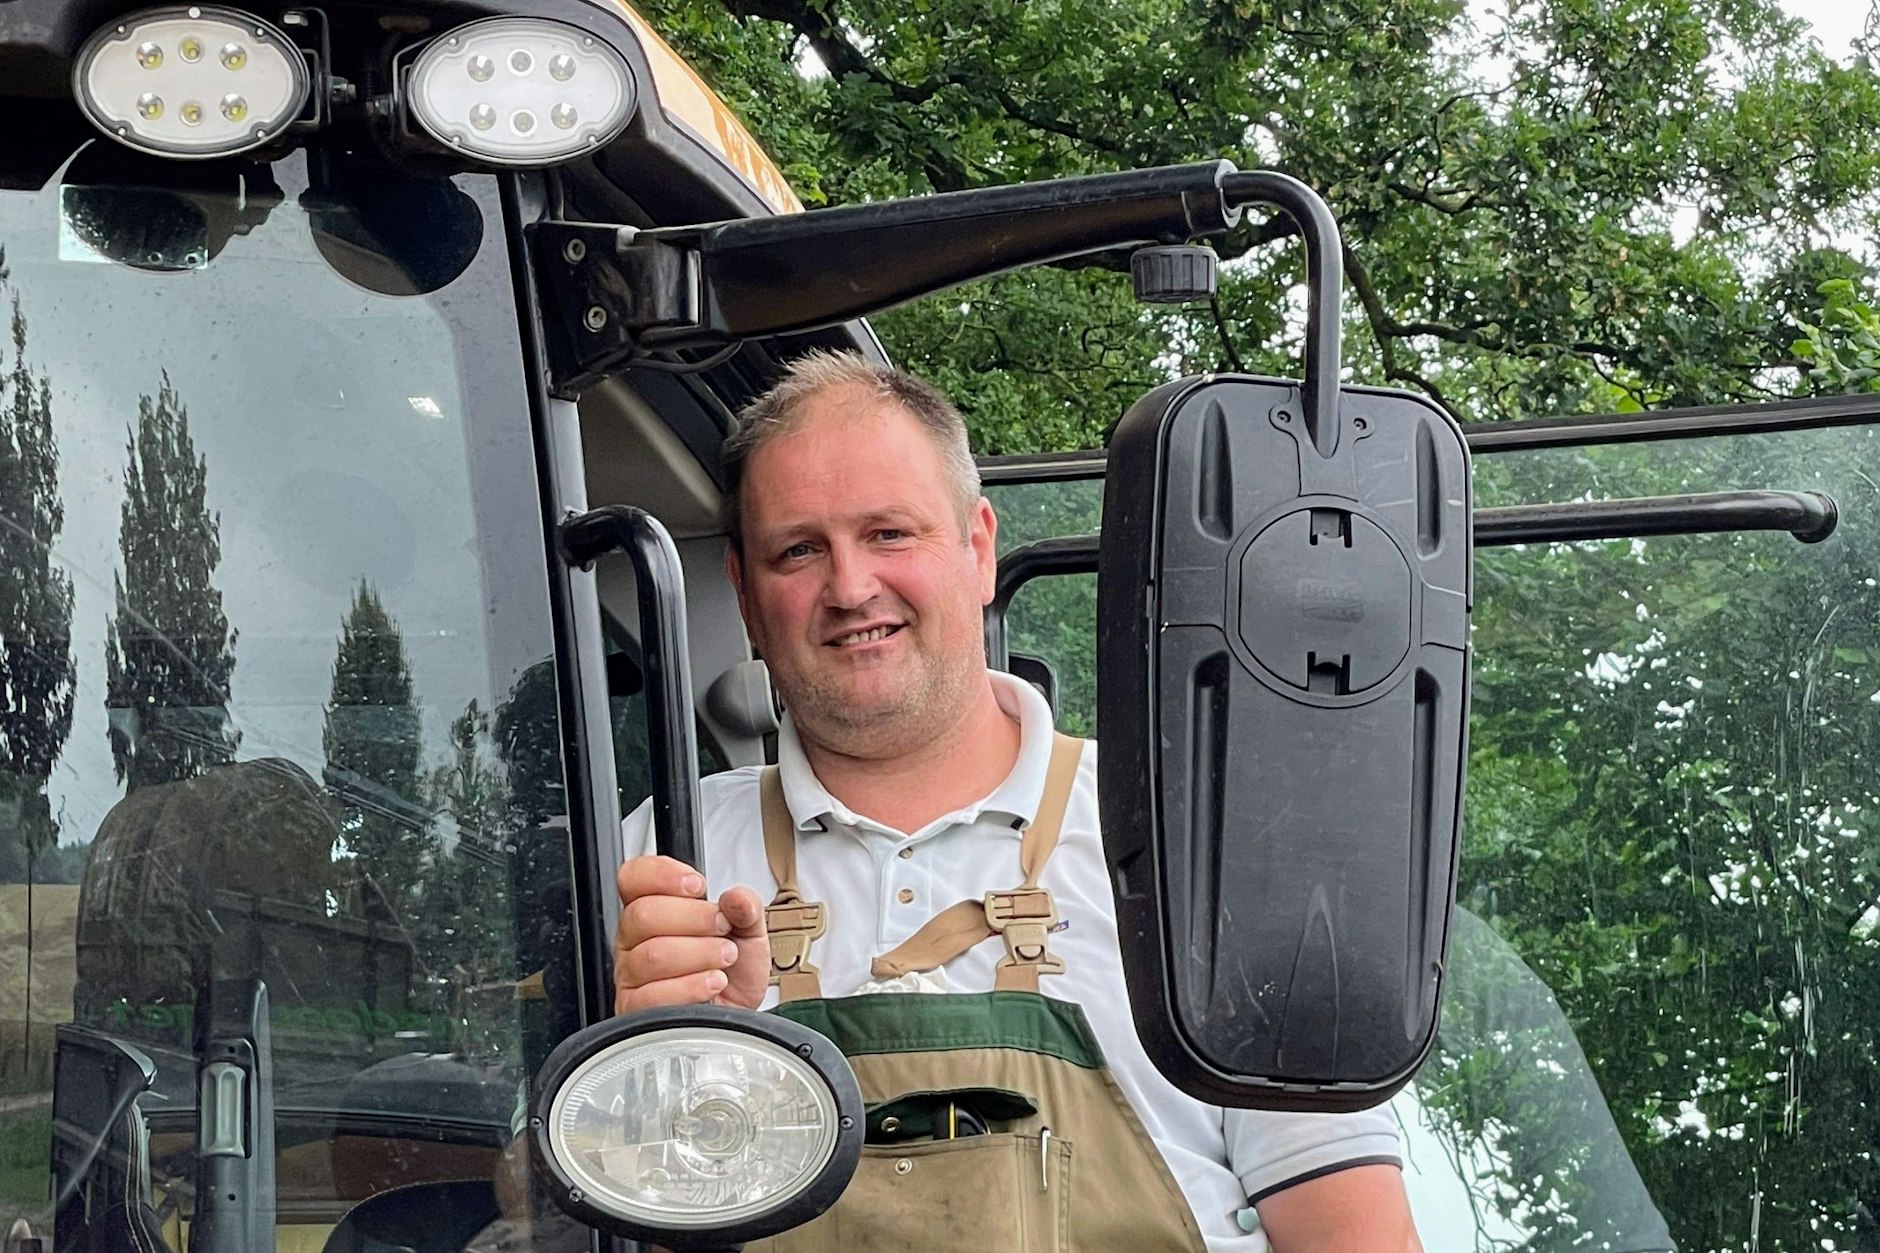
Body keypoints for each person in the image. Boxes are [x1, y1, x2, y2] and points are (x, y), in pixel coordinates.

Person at [618, 350, 1423, 1252]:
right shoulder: (666, 856)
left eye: (889, 533)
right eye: (799, 549)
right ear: (745, 593)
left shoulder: (1199, 850)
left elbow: (1356, 1235)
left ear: (979, 547)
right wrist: (652, 1062)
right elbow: (523, 1191)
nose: (850, 589)